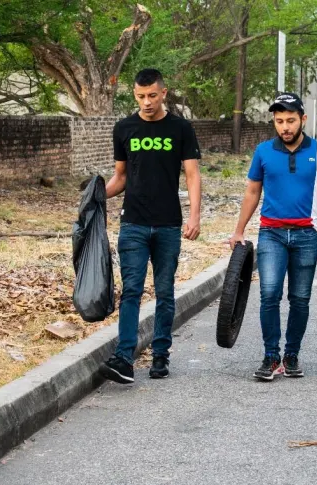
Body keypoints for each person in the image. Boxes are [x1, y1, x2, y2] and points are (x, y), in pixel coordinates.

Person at [227, 92, 317, 381]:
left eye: (291, 120)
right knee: (269, 295)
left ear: (303, 120)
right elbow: (252, 192)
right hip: (271, 233)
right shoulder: (263, 151)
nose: (285, 127)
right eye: (279, 121)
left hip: (307, 234)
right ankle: (271, 356)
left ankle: (292, 354)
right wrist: (238, 230)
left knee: (300, 299)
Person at [100, 68, 203, 385]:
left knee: (165, 292)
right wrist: (95, 197)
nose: (146, 102)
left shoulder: (180, 129)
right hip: (132, 223)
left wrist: (195, 216)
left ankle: (160, 355)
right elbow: (120, 177)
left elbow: (193, 175)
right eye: (140, 96)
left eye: (152, 96)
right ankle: (125, 358)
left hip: (168, 225)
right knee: (130, 291)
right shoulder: (124, 128)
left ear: (164, 93)